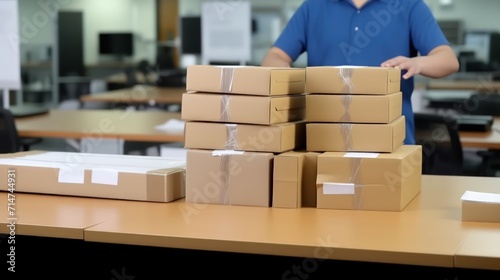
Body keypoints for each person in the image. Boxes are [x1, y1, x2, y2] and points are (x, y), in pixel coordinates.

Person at [261, 0, 459, 144]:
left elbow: (448, 60)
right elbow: (274, 56)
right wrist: (283, 72)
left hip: (391, 142)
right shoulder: (313, 7)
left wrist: (417, 62)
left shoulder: (409, 6)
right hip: (323, 140)